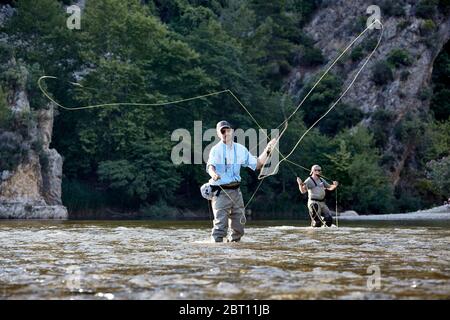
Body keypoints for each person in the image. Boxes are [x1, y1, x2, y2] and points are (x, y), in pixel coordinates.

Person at [206, 120, 276, 242]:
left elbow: (258, 164)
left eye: (227, 130)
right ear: (218, 133)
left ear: (232, 132)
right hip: (220, 192)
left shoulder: (240, 149)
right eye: (222, 131)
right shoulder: (215, 150)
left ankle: (235, 252)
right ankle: (217, 254)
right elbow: (210, 166)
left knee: (238, 227)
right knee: (220, 228)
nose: (225, 133)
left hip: (236, 192)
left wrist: (268, 150)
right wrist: (214, 174)